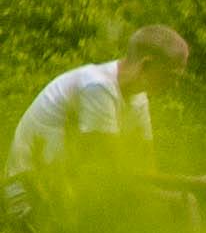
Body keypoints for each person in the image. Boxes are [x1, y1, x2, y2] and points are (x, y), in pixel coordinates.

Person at [9, 24, 188, 171]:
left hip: (66, 194)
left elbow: (146, 166)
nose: (174, 84)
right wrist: (193, 183)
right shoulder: (97, 86)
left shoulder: (138, 98)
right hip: (32, 199)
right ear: (145, 65)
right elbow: (109, 172)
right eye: (170, 76)